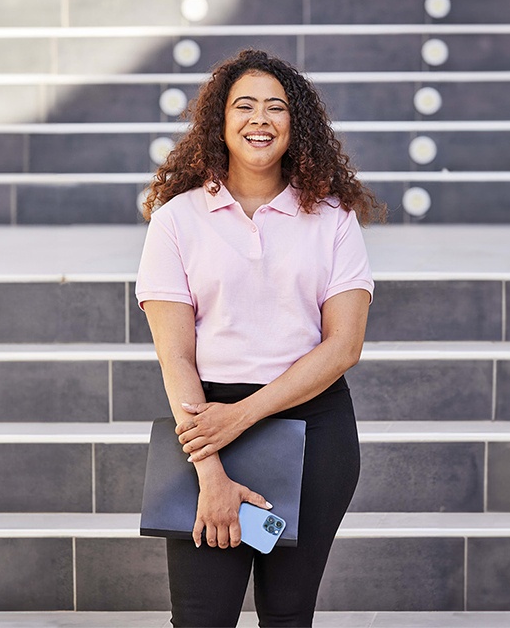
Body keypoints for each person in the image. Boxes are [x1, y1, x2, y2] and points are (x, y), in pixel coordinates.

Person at [135, 49, 386, 627]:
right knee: (202, 618)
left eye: (277, 107)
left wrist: (242, 416)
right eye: (243, 105)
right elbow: (174, 355)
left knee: (289, 616)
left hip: (314, 432)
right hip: (204, 427)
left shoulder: (332, 217)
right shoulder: (177, 220)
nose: (260, 118)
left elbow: (344, 346)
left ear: (296, 124)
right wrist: (211, 468)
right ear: (218, 124)